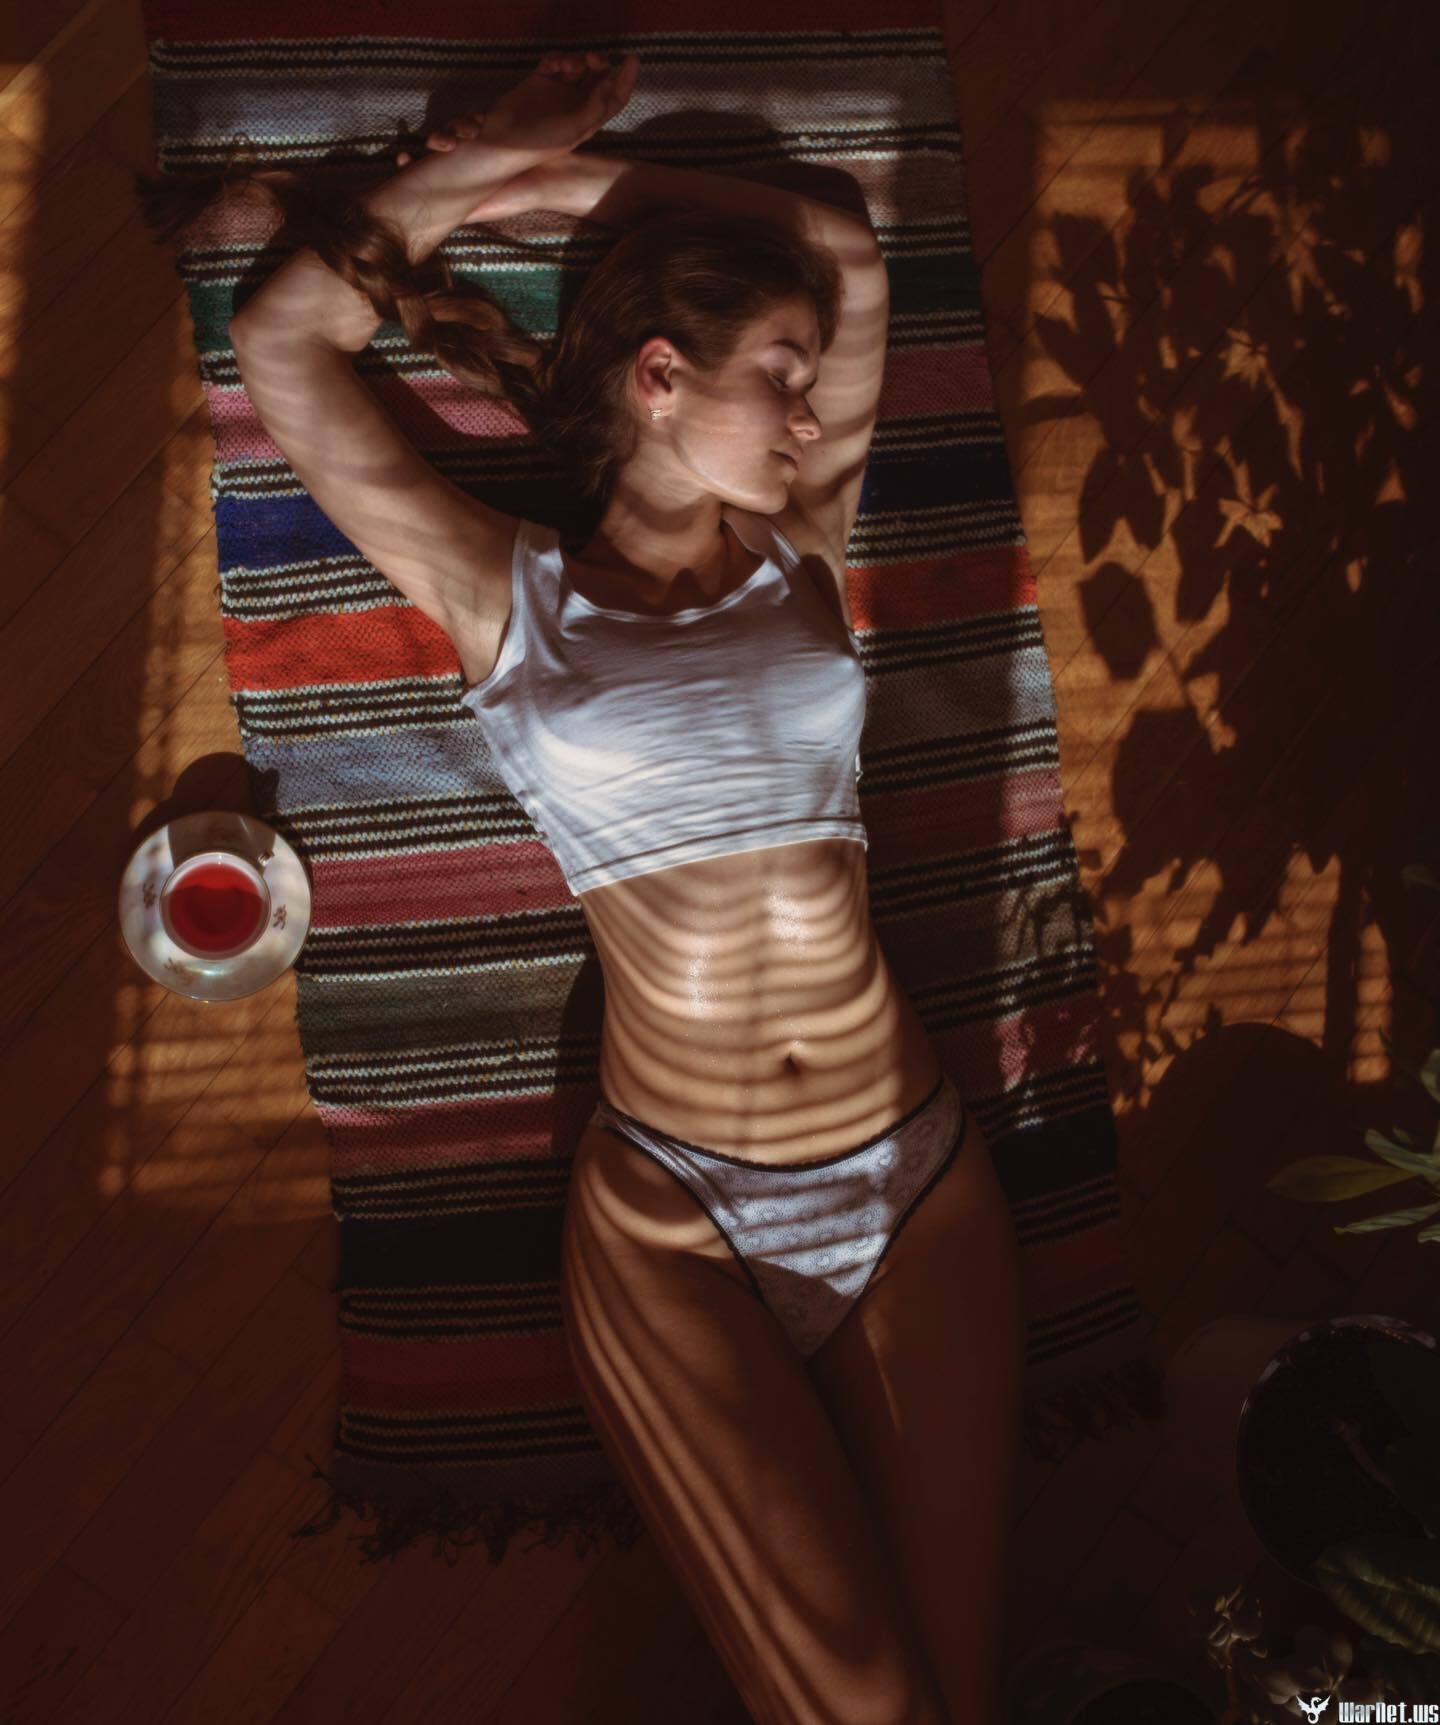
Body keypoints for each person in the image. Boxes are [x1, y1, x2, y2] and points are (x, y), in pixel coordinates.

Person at [220, 50, 1025, 1725]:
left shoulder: (799, 543)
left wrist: (556, 182)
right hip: (683, 1219)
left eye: (804, 380)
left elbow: (842, 239)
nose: (813, 414)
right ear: (662, 376)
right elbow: (285, 340)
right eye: (782, 376)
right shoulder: (509, 598)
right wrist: (486, 165)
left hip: (919, 1174)